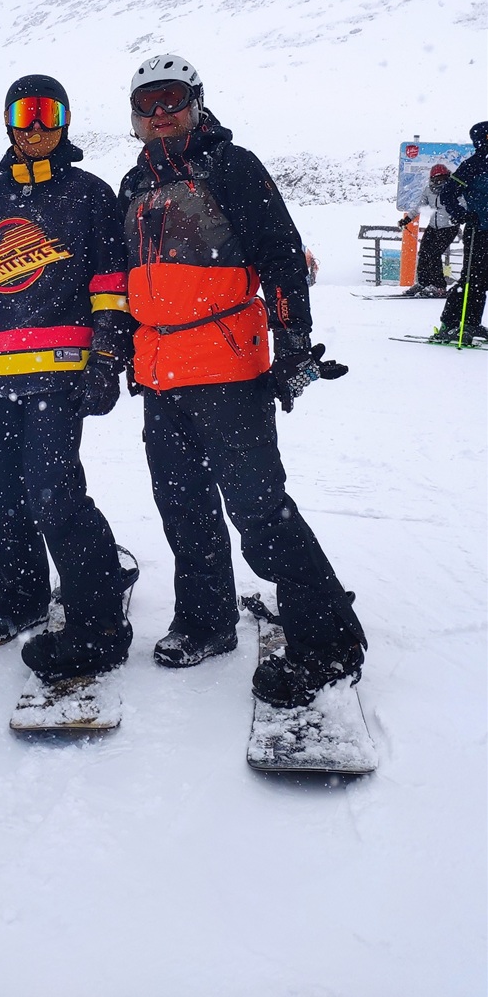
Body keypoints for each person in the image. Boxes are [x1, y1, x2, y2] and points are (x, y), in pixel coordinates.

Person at [118, 52, 366, 709]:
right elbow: (127, 284)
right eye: (147, 104)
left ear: (196, 103)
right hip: (161, 378)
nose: (161, 113)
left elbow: (281, 255)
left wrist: (292, 344)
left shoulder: (231, 166)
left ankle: (329, 640)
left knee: (259, 511)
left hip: (228, 371)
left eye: (172, 99)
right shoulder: (133, 184)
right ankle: (207, 621)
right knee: (184, 507)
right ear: (134, 117)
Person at [0, 74, 133, 684]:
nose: (34, 128)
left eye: (46, 114)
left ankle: (97, 611)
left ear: (65, 121)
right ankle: (21, 597)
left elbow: (110, 285)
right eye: (23, 114)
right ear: (7, 122)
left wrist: (105, 359)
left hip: (57, 375)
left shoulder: (89, 194)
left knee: (53, 494)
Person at [432, 122, 488, 345]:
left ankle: (471, 323)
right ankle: (450, 324)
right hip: (478, 231)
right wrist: (463, 215)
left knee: (482, 280)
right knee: (471, 278)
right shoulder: (473, 164)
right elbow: (448, 194)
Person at [397, 163, 459, 297]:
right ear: (432, 179)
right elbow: (419, 207)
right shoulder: (429, 190)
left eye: (442, 179)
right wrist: (407, 220)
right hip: (433, 226)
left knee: (434, 254)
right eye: (436, 179)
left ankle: (439, 286)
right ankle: (423, 282)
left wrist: (456, 218)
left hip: (449, 227)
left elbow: (462, 205)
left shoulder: (453, 189)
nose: (439, 182)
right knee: (424, 253)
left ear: (448, 177)